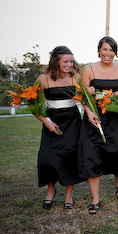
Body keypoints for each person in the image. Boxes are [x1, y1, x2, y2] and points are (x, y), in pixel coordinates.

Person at [78, 36, 118, 214]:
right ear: (99, 49)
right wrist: (89, 111)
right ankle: (95, 199)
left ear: (115, 52)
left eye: (112, 50)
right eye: (105, 49)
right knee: (92, 155)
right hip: (93, 118)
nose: (108, 53)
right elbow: (83, 95)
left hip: (114, 118)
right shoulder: (88, 70)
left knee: (115, 153)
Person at [35, 46, 83, 210]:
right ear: (56, 61)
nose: (70, 64)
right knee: (46, 157)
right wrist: (47, 122)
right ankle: (51, 191)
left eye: (71, 61)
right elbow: (33, 105)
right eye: (66, 61)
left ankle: (69, 195)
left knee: (69, 157)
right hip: (52, 121)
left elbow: (84, 99)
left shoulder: (75, 78)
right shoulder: (43, 78)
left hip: (72, 121)